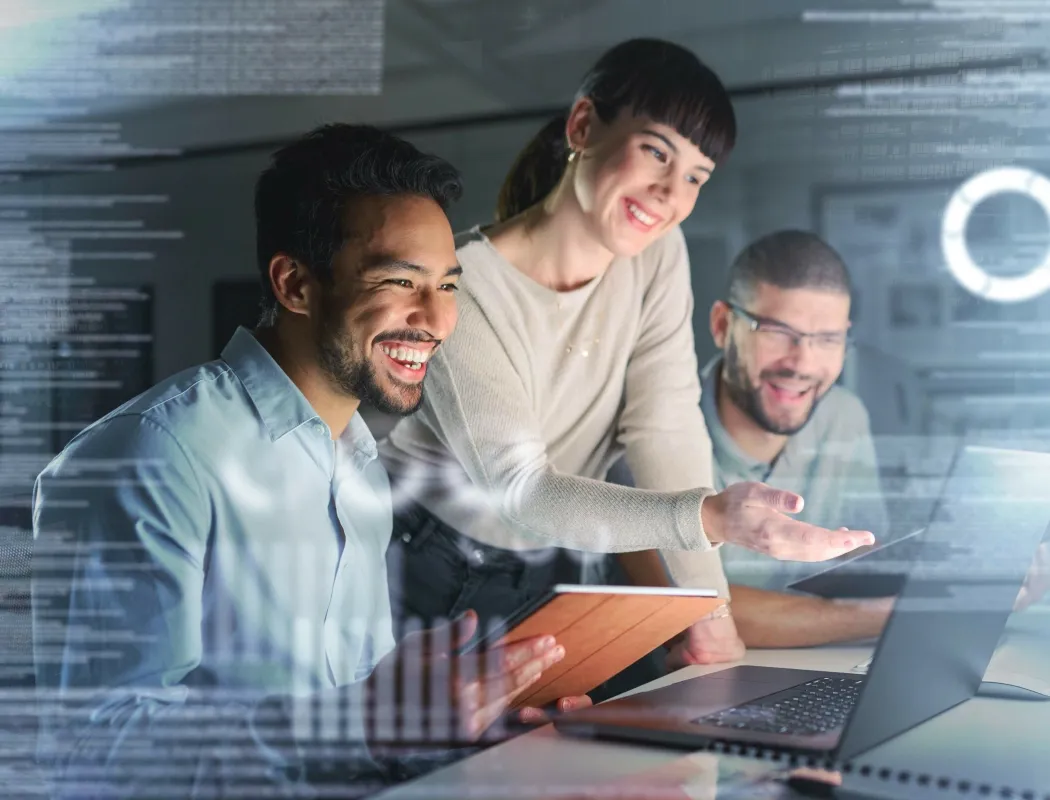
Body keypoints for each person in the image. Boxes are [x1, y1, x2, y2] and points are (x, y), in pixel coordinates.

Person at [30, 124, 571, 800]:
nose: (436, 318)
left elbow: (354, 723)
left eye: (448, 285)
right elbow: (93, 746)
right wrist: (369, 723)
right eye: (400, 280)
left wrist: (471, 719)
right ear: (295, 284)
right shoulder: (155, 452)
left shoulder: (362, 465)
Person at [379, 38, 874, 708]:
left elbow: (665, 430)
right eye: (656, 153)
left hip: (562, 561)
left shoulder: (654, 254)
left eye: (696, 176)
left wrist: (713, 614)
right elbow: (522, 492)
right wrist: (714, 519)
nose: (671, 194)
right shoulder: (462, 287)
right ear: (583, 126)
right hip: (435, 572)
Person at [693, 230, 895, 652]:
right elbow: (696, 613)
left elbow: (865, 572)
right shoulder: (658, 429)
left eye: (827, 340)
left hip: (821, 669)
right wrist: (892, 615)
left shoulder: (844, 415)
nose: (802, 363)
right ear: (722, 325)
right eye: (777, 331)